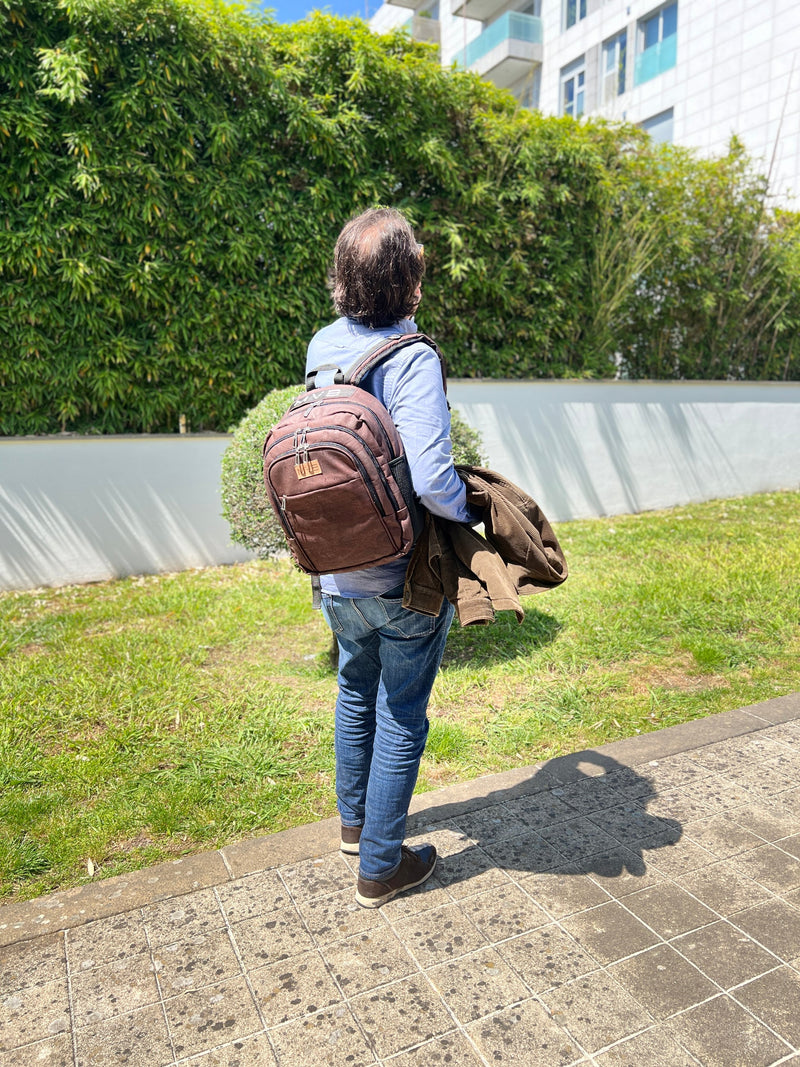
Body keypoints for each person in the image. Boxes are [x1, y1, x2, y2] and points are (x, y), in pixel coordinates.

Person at [305, 207, 477, 908]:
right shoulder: (412, 356)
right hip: (402, 574)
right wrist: (471, 513)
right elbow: (434, 482)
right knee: (401, 709)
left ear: (344, 276)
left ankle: (355, 827)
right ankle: (380, 866)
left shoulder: (323, 343)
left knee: (354, 687)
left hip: (335, 567)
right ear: (408, 278)